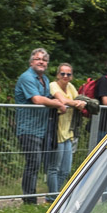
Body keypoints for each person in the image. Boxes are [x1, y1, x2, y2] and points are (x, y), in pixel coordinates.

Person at [13, 48, 64, 205]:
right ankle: (29, 200)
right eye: (37, 59)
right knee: (33, 163)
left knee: (38, 164)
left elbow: (46, 97)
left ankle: (32, 198)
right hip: (27, 128)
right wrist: (57, 104)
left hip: (42, 129)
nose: (41, 62)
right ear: (31, 62)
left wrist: (58, 102)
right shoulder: (27, 77)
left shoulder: (45, 79)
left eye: (44, 60)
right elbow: (36, 99)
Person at [45, 62, 86, 202]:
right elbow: (62, 100)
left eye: (68, 74)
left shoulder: (71, 87)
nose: (65, 76)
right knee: (54, 167)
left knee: (66, 169)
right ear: (58, 75)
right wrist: (76, 104)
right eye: (62, 73)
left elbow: (79, 100)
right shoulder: (53, 85)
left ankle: (57, 196)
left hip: (69, 131)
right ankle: (51, 197)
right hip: (56, 132)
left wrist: (78, 104)